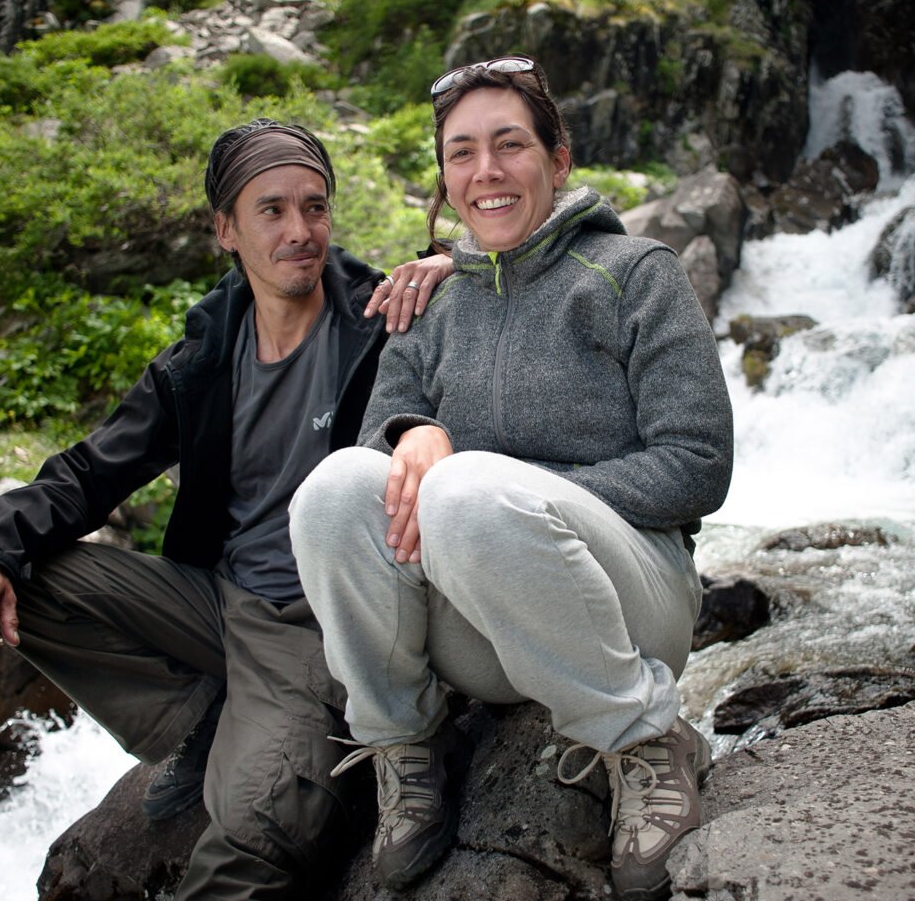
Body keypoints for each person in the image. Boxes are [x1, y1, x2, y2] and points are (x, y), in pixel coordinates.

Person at [0, 117, 451, 900]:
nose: (299, 231)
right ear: (225, 230)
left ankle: (270, 740)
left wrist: (461, 262)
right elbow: (88, 473)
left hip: (321, 622)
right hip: (218, 601)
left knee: (252, 839)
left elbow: (497, 308)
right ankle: (204, 717)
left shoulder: (382, 321)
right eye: (271, 209)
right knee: (28, 577)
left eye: (315, 207)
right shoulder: (205, 356)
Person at [287, 58, 734, 900]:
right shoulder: (433, 297)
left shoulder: (636, 275)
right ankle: (405, 746)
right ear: (446, 176)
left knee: (463, 490)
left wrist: (514, 492)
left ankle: (644, 738)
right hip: (483, 627)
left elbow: (699, 463)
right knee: (333, 489)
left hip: (627, 596)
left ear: (557, 158)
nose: (484, 172)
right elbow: (375, 440)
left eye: (509, 145)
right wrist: (415, 431)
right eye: (461, 153)